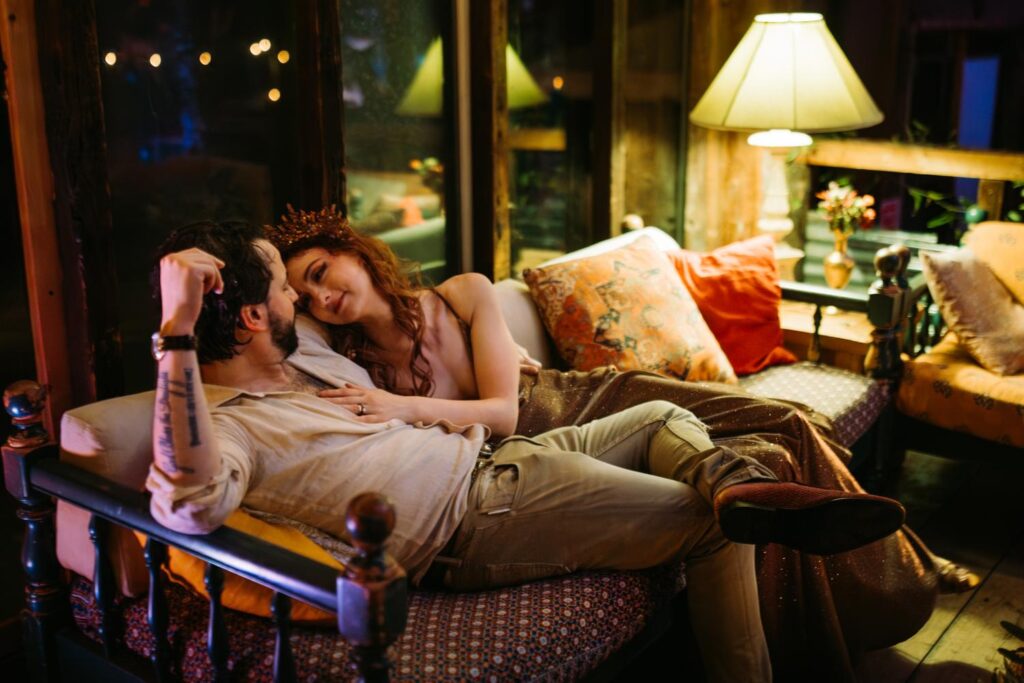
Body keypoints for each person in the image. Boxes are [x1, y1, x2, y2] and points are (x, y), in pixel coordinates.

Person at [148, 220, 908, 683]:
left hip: (499, 460)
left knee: (661, 417)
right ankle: (737, 515)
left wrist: (214, 280)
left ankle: (734, 478)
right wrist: (176, 329)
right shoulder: (231, 426)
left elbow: (331, 296)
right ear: (254, 318)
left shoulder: (305, 355)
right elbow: (185, 498)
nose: (303, 301)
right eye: (287, 292)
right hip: (478, 516)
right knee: (709, 523)